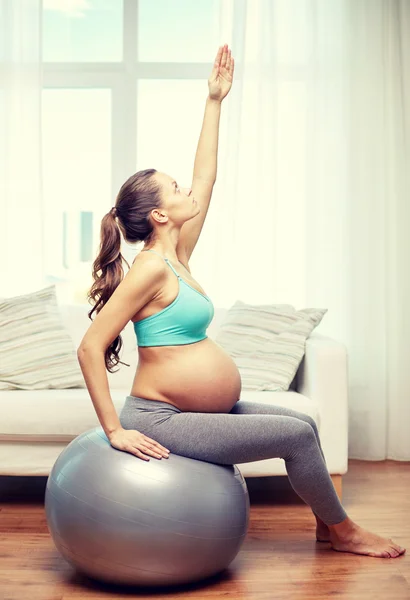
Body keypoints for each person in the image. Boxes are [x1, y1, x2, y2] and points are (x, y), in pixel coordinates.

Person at [77, 44, 405, 560]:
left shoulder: (177, 254)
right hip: (161, 419)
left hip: (196, 410)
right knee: (295, 438)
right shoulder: (150, 269)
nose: (188, 192)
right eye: (175, 190)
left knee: (306, 425)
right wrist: (114, 430)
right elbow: (90, 346)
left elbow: (207, 179)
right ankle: (345, 531)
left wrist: (215, 102)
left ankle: (325, 527)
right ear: (159, 216)